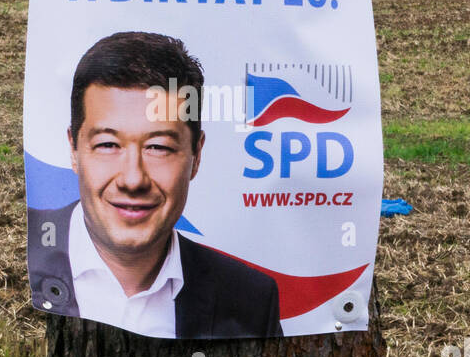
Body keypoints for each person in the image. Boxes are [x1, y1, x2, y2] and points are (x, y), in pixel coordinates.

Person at [28, 31, 282, 339]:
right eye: (108, 145)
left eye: (158, 147)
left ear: (196, 155)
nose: (133, 179)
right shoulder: (14, 268)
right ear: (74, 149)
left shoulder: (251, 302)